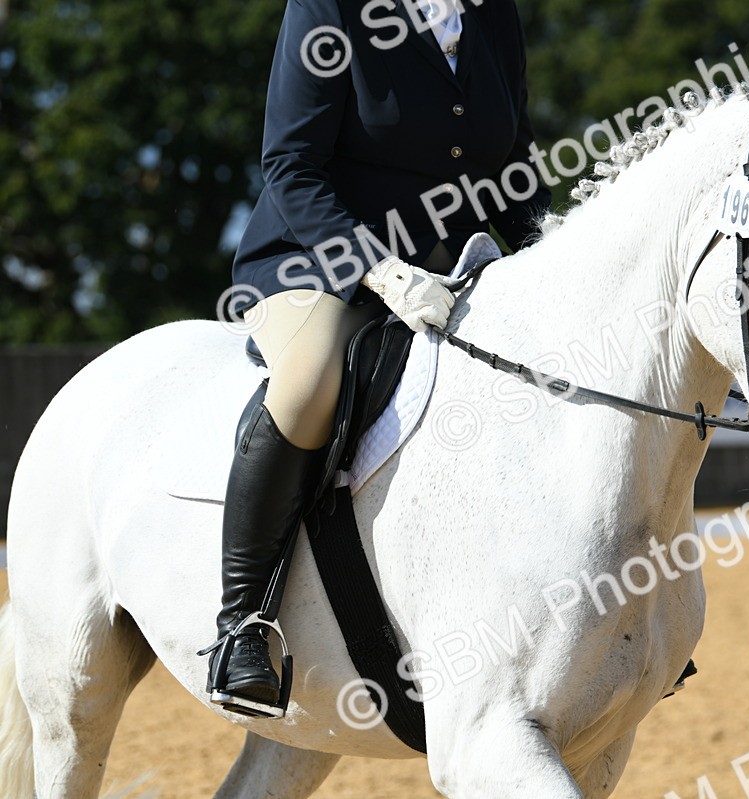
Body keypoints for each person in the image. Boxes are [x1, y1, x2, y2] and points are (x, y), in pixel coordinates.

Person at [204, 0, 551, 716]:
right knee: (309, 384)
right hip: (316, 264)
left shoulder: (493, 14)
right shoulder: (328, 7)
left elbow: (511, 157)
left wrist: (553, 248)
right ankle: (242, 624)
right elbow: (291, 167)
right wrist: (382, 270)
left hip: (450, 272)